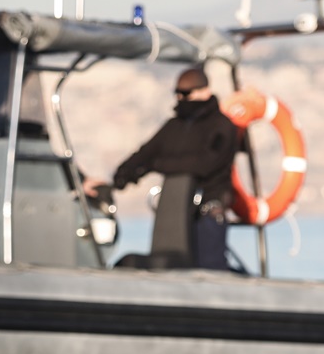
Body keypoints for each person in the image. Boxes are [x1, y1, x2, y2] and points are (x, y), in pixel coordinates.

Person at [83, 66, 243, 270]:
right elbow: (145, 154)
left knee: (209, 268)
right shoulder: (174, 126)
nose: (180, 98)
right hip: (175, 210)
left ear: (205, 91)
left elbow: (204, 164)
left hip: (207, 212)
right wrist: (118, 179)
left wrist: (157, 165)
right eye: (176, 93)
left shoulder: (222, 127)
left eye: (185, 93)